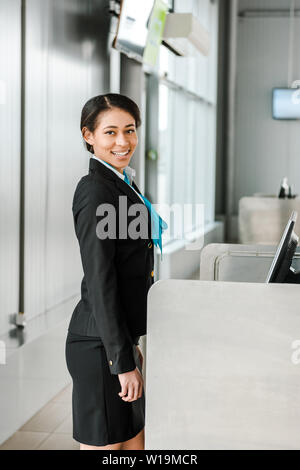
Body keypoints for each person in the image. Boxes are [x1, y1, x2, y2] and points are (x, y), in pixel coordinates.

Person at [65, 93, 155, 450]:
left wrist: (130, 344)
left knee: (134, 444)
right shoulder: (95, 191)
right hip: (98, 346)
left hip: (117, 340)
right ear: (88, 135)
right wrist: (121, 358)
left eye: (130, 130)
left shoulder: (121, 181)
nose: (123, 142)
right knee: (109, 448)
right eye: (111, 132)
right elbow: (102, 280)